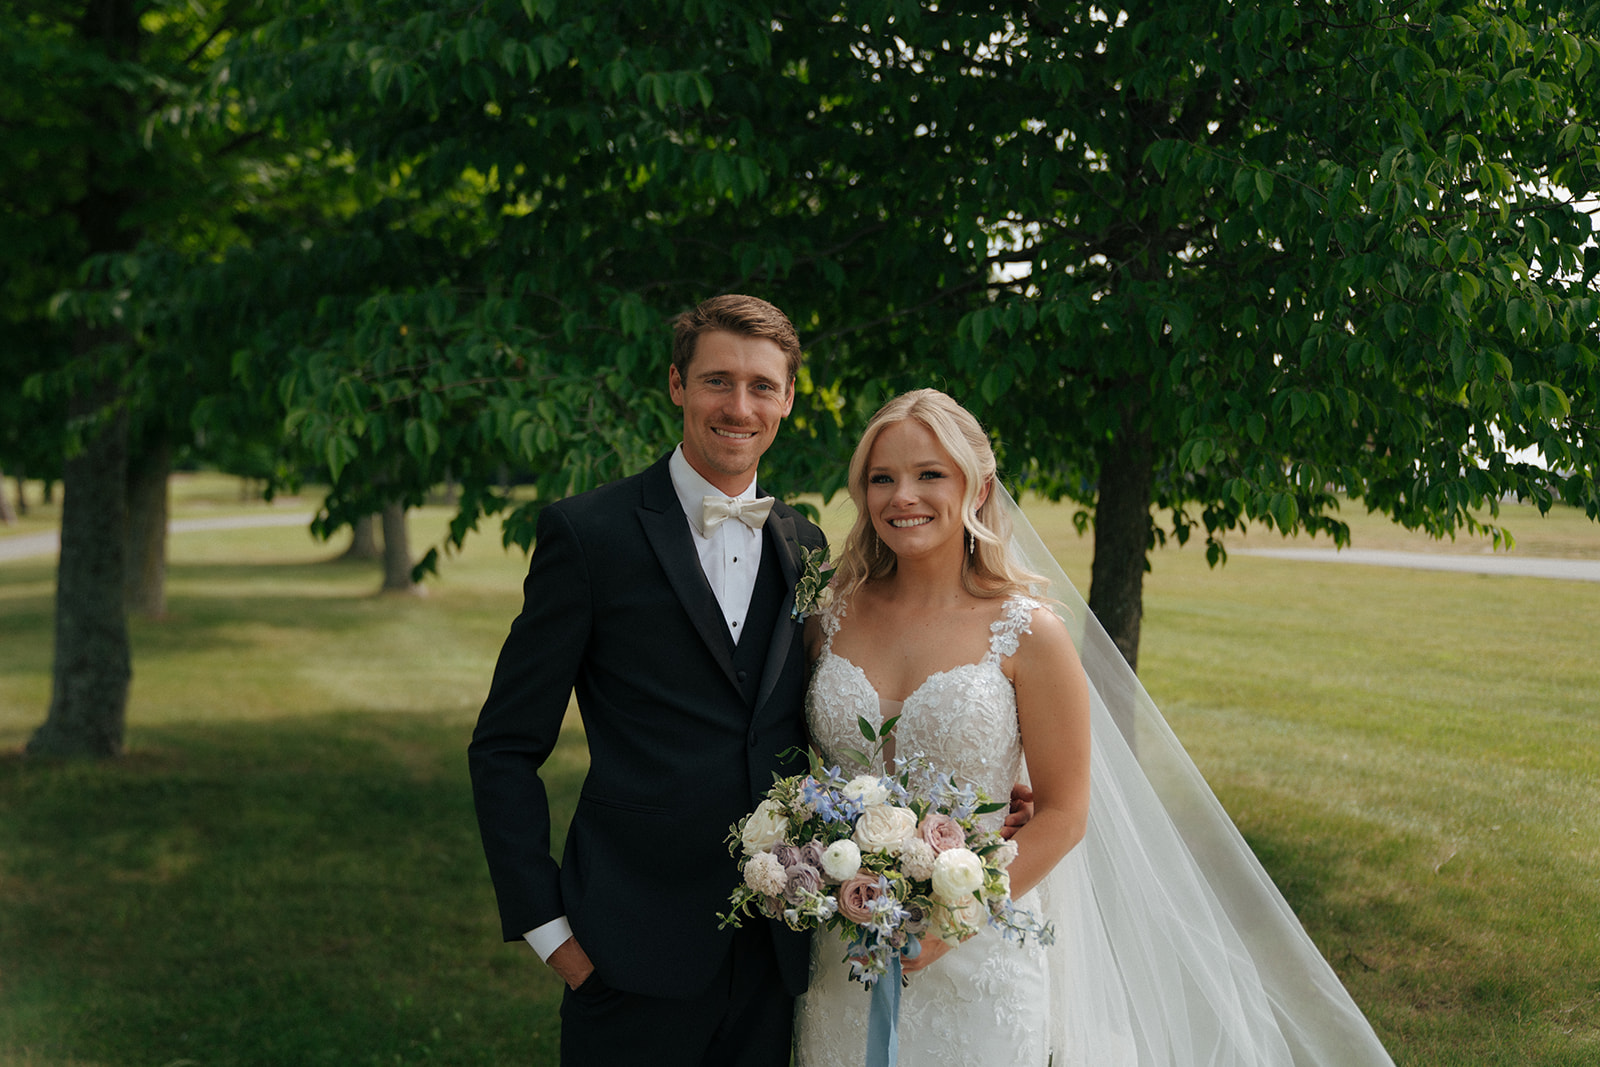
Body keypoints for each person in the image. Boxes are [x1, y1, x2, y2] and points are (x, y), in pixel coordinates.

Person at [793, 389, 1398, 1066]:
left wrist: (946, 923)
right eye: (883, 478)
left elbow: (1064, 813)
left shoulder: (1028, 631)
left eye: (930, 473)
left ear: (979, 485)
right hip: (847, 937)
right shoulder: (828, 616)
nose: (903, 495)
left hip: (980, 950)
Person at [468, 294, 825, 1066]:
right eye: (716, 381)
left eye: (762, 385)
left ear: (788, 399)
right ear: (676, 385)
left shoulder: (808, 545)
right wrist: (552, 935)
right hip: (625, 955)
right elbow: (503, 745)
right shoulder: (589, 533)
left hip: (775, 955)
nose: (739, 405)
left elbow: (817, 720)